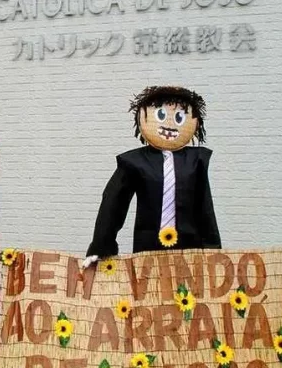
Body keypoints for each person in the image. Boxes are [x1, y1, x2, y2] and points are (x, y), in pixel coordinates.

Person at [83, 86, 221, 268]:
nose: (169, 124)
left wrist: (213, 251)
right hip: (148, 246)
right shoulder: (134, 162)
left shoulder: (196, 162)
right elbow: (113, 203)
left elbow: (205, 208)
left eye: (179, 117)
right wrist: (101, 247)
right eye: (161, 115)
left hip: (190, 247)